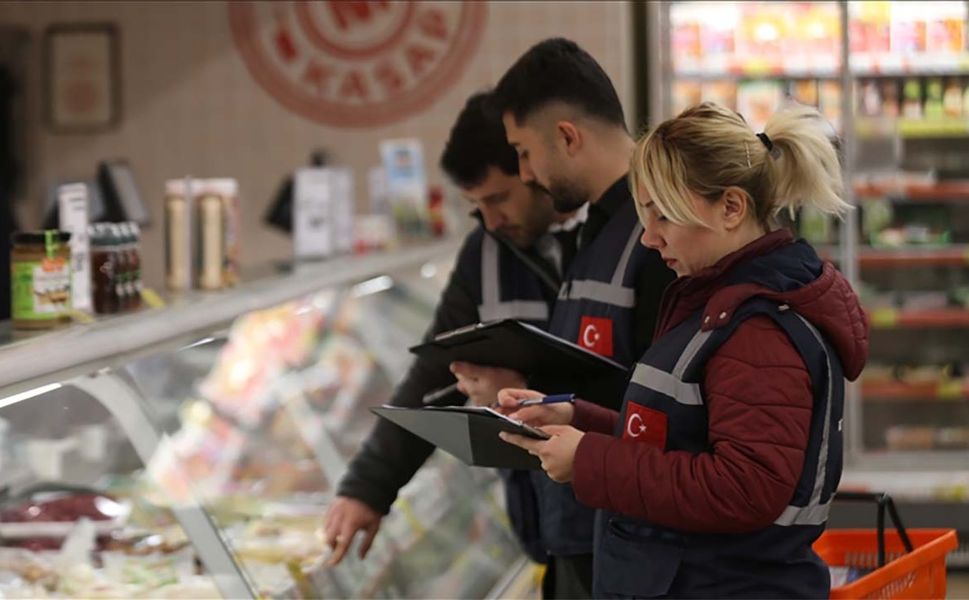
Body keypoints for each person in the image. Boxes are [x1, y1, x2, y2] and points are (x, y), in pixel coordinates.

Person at [498, 101, 870, 598]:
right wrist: (577, 418)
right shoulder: (714, 302)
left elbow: (744, 487)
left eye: (663, 216)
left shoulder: (759, 331)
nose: (649, 239)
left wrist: (589, 459)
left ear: (731, 208)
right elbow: (681, 438)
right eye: (644, 215)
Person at [322, 90, 577, 567]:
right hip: (544, 524)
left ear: (534, 170)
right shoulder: (486, 251)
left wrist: (525, 392)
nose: (492, 220)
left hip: (616, 519)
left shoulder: (613, 238)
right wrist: (368, 488)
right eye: (477, 206)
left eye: (499, 198)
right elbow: (436, 371)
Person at [487, 38, 675, 598]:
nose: (525, 173)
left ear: (567, 136)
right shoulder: (598, 230)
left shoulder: (658, 237)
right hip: (585, 527)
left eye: (524, 151)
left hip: (622, 538)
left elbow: (665, 407)